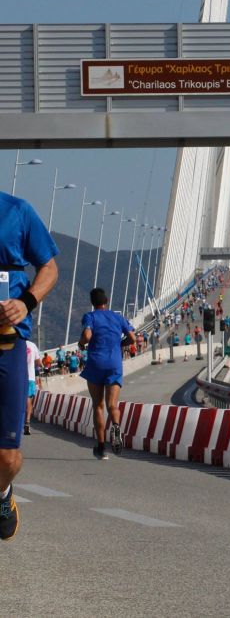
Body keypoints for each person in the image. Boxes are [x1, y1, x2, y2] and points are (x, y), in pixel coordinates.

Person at [0, 189, 59, 542]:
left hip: (7, 344)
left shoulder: (17, 211)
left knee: (7, 458)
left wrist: (25, 302)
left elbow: (49, 267)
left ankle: (3, 493)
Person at [78, 288, 134, 460]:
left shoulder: (90, 316)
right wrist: (120, 344)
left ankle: (101, 448)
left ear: (92, 303)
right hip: (114, 364)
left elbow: (87, 335)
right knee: (112, 405)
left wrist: (81, 343)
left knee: (98, 406)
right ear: (106, 301)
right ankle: (116, 427)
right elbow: (132, 337)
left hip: (96, 363)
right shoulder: (118, 317)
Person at [23, 340, 40, 436]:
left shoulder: (14, 343)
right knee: (29, 398)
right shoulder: (32, 345)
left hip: (17, 377)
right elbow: (38, 362)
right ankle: (27, 421)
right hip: (30, 377)